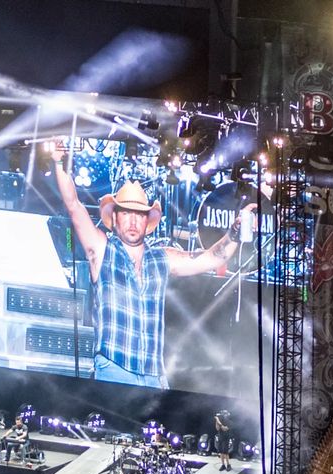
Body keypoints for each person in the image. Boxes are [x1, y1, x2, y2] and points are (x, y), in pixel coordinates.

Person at [51, 143, 251, 388]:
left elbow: (213, 258)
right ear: (114, 218)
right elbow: (74, 206)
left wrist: (234, 233)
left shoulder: (161, 258)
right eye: (126, 213)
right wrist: (60, 162)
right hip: (114, 370)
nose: (133, 221)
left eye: (140, 214)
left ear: (148, 221)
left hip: (154, 376)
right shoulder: (103, 250)